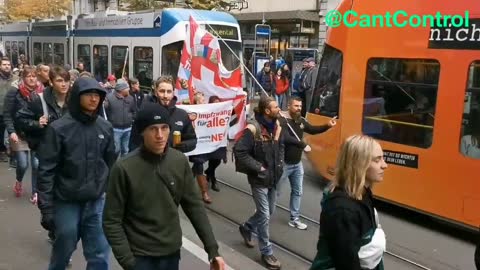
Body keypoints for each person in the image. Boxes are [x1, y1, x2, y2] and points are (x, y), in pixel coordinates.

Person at [103, 103, 226, 270]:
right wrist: (128, 261)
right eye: (153, 129)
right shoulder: (124, 168)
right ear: (142, 132)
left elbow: (194, 207)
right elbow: (111, 221)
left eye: (164, 128)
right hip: (139, 255)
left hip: (171, 253)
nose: (160, 135)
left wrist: (213, 251)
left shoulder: (179, 161)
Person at [37, 77, 116, 270]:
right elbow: (47, 169)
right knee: (64, 248)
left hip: (96, 201)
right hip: (66, 200)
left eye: (97, 95)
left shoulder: (105, 128)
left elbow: (111, 163)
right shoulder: (59, 128)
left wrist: (111, 195)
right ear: (77, 96)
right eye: (88, 94)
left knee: (99, 252)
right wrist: (46, 208)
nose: (94, 99)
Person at [310, 135, 387, 270]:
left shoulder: (363, 193)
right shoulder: (342, 209)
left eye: (383, 158)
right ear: (359, 164)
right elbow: (347, 263)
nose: (384, 165)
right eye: (377, 160)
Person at [233, 95, 284, 269]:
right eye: (276, 107)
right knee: (264, 215)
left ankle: (247, 227)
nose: (279, 109)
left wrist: (280, 164)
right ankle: (267, 253)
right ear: (267, 111)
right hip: (259, 180)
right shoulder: (253, 128)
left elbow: (279, 149)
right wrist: (258, 167)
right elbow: (239, 151)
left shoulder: (276, 126)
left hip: (273, 178)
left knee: (269, 211)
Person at [277, 97, 337, 230]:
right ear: (289, 106)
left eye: (300, 106)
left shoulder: (301, 121)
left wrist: (327, 125)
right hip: (284, 164)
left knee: (297, 192)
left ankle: (294, 218)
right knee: (275, 192)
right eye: (296, 106)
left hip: (297, 164)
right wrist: (302, 144)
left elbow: (313, 129)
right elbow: (286, 137)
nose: (299, 108)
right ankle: (263, 214)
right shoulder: (282, 121)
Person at [129, 75, 196, 154]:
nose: (165, 96)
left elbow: (192, 140)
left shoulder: (182, 115)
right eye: (162, 91)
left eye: (169, 91)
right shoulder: (145, 113)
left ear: (173, 93)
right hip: (149, 162)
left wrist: (184, 145)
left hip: (172, 162)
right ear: (156, 92)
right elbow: (134, 143)